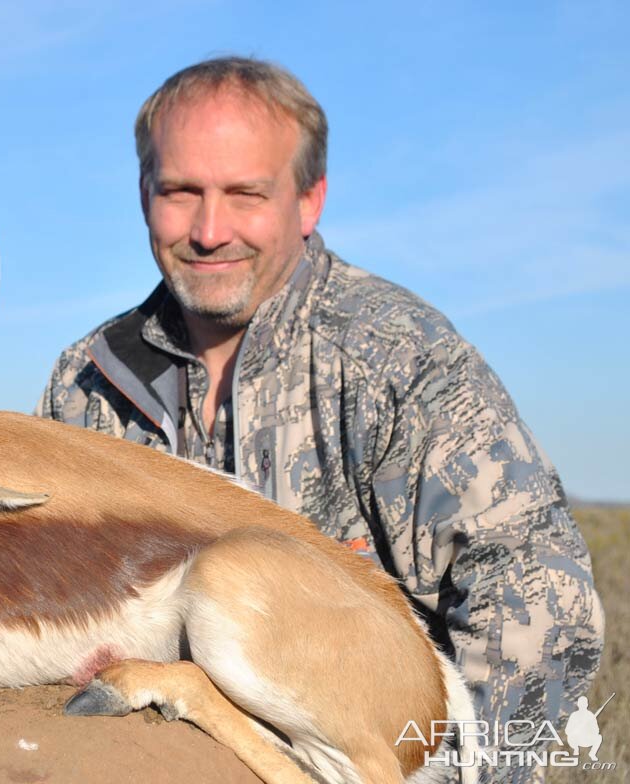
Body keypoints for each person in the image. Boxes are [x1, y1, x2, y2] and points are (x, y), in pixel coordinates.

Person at [36, 56, 603, 778]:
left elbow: (542, 599)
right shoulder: (87, 379)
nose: (209, 230)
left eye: (246, 194)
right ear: (144, 192)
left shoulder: (400, 360)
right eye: (180, 192)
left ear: (310, 201)